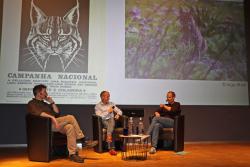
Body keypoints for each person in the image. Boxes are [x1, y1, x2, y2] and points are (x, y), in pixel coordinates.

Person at [27, 84, 97, 163]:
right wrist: (52, 117)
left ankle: (72, 154)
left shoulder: (45, 104)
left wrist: (52, 102)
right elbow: (39, 113)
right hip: (46, 127)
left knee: (70, 127)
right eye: (45, 91)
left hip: (55, 124)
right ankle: (83, 141)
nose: (46, 93)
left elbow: (57, 113)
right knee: (70, 117)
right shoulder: (32, 103)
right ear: (39, 93)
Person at [95, 91, 123, 155]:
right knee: (111, 126)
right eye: (107, 96)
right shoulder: (98, 106)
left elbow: (120, 111)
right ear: (102, 97)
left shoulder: (112, 104)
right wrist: (108, 112)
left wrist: (118, 114)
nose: (108, 98)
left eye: (109, 96)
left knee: (111, 121)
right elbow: (100, 116)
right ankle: (112, 148)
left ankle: (109, 139)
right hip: (103, 121)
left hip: (111, 120)